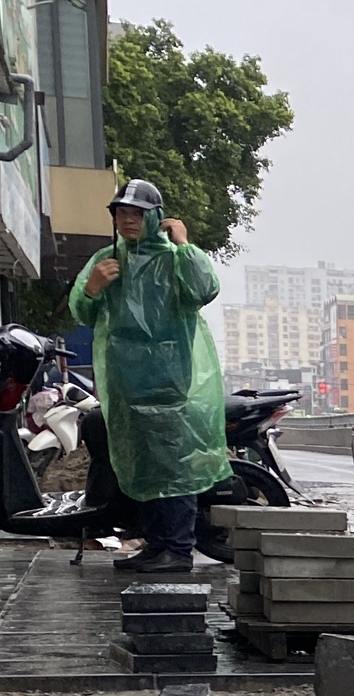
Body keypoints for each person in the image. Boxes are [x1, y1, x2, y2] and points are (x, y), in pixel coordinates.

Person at [67, 179, 232, 573]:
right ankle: (156, 544)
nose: (127, 220)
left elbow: (205, 289)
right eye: (121, 213)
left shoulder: (175, 260)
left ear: (155, 217)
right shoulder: (107, 260)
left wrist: (185, 244)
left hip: (169, 381)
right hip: (124, 383)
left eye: (136, 213)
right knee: (139, 465)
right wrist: (91, 290)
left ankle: (177, 549)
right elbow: (81, 312)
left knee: (173, 466)